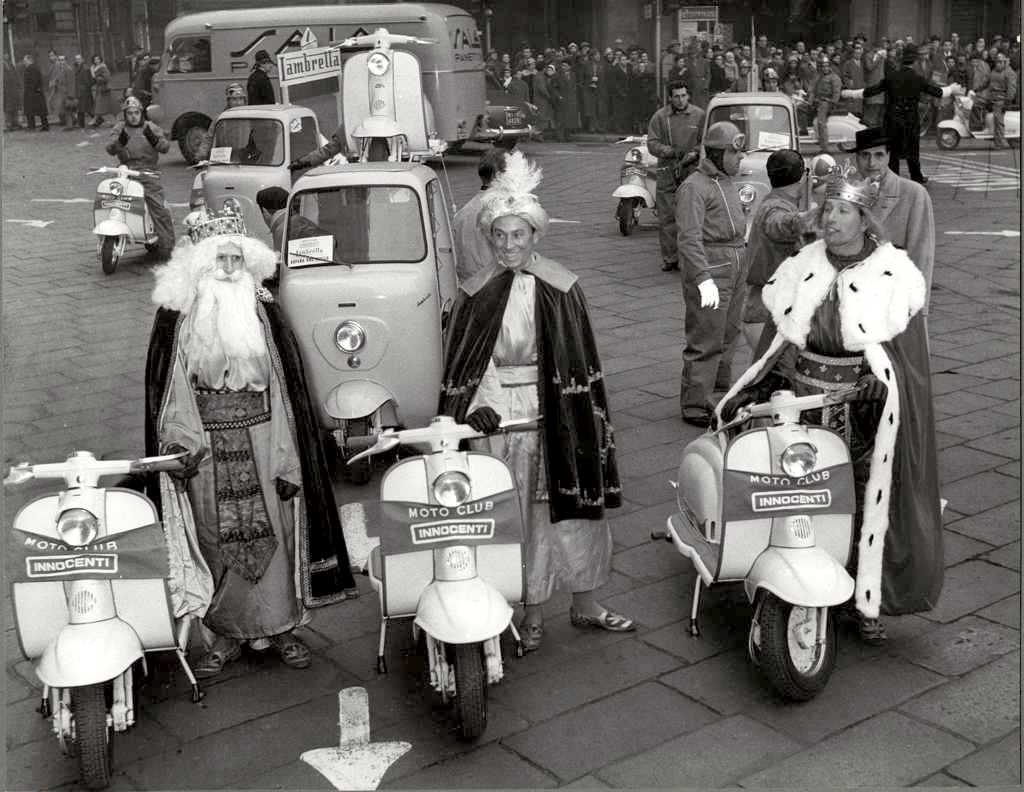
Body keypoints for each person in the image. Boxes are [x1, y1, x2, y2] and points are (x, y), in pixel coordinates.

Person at [717, 161, 942, 645]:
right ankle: (794, 581)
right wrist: (757, 389)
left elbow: (904, 364)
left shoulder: (893, 275)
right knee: (799, 497)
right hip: (799, 405)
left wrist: (882, 388)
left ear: (866, 219)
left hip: (861, 412)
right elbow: (779, 344)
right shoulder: (803, 267)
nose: (833, 219)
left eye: (844, 210)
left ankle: (865, 598)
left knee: (862, 501)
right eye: (828, 209)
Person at [144, 208, 357, 677]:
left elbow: (288, 395)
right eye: (217, 260)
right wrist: (181, 447)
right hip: (203, 447)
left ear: (250, 261)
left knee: (276, 532)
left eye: (235, 259)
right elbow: (170, 391)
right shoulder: (175, 319)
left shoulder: (266, 312)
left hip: (267, 439)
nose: (226, 269)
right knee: (213, 537)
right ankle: (222, 636)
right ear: (199, 264)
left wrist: (288, 459)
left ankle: (282, 628)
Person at [439, 151, 631, 653]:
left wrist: (566, 410)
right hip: (500, 420)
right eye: (499, 235)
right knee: (517, 516)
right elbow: (465, 362)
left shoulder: (562, 286)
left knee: (571, 514)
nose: (508, 245)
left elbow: (579, 362)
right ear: (489, 237)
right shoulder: (474, 293)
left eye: (517, 235)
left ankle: (585, 603)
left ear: (535, 235)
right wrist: (480, 408)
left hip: (559, 416)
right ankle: (530, 609)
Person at [675, 121, 748, 427]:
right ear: (719, 154)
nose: (740, 159)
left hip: (734, 262)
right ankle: (695, 403)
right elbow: (688, 239)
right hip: (713, 267)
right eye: (735, 153)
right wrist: (702, 278)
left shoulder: (725, 181)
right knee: (706, 336)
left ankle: (717, 390)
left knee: (729, 332)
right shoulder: (694, 187)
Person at [844, 44, 962, 183]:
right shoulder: (917, 78)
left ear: (901, 59)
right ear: (915, 61)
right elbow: (939, 92)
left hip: (892, 118)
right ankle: (916, 176)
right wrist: (952, 88)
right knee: (913, 149)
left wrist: (849, 93)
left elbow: (870, 91)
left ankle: (894, 178)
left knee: (893, 151)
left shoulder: (891, 77)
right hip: (910, 118)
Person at [742, 149, 818, 359]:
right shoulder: (775, 209)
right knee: (773, 382)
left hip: (767, 309)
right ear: (802, 176)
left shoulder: (775, 203)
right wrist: (814, 216)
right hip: (768, 314)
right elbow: (781, 224)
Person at [105, 95, 175, 256]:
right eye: (129, 113)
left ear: (142, 113)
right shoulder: (119, 128)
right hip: (126, 170)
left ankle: (167, 245)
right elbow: (110, 149)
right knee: (112, 198)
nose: (133, 116)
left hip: (148, 171)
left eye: (136, 113)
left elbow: (165, 148)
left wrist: (154, 140)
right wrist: (119, 142)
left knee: (157, 206)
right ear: (125, 115)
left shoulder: (150, 127)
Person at [646, 80, 704, 273]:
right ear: (670, 98)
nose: (680, 100)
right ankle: (670, 258)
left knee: (693, 215)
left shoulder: (699, 115)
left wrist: (695, 152)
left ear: (688, 96)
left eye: (683, 95)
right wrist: (671, 151)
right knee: (667, 216)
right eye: (676, 96)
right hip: (668, 170)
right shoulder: (660, 117)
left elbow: (705, 141)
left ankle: (693, 256)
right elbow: (652, 144)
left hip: (692, 170)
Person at [452, 148, 508, 283]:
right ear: (500, 175)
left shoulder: (461, 214)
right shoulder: (504, 211)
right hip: (496, 288)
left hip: (468, 289)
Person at [978, 52, 1017, 148]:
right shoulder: (994, 71)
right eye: (997, 62)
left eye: (1000, 62)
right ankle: (985, 131)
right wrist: (977, 89)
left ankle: (1001, 142)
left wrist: (1007, 102)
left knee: (998, 120)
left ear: (1005, 62)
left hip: (1001, 100)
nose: (998, 64)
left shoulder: (1009, 73)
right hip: (991, 98)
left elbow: (1011, 89)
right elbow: (986, 82)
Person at [813, 55, 843, 152]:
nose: (824, 68)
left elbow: (836, 94)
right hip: (818, 101)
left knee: (821, 122)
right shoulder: (819, 77)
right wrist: (810, 98)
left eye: (826, 66)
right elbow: (813, 89)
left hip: (828, 103)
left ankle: (824, 147)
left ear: (829, 66)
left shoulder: (834, 78)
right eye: (822, 66)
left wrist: (831, 102)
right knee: (801, 108)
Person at [21, 54, 48, 130]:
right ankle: (44, 126)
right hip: (36, 93)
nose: (24, 62)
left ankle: (32, 127)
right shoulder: (35, 68)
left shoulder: (30, 68)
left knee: (30, 111)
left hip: (32, 93)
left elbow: (34, 81)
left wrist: (30, 90)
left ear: (30, 60)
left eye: (25, 61)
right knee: (40, 111)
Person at [71, 54, 94, 129]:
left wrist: (86, 88)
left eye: (79, 59)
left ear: (82, 59)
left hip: (84, 91)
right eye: (76, 59)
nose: (78, 60)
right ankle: (81, 124)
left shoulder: (85, 68)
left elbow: (89, 81)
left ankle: (82, 124)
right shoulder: (76, 68)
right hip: (79, 90)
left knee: (85, 108)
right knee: (83, 108)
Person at [90, 55, 114, 126]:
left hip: (104, 88)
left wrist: (97, 78)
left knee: (100, 104)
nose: (96, 61)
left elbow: (107, 78)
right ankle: (109, 121)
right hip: (99, 88)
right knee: (101, 105)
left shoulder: (103, 67)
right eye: (95, 59)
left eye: (98, 59)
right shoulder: (94, 68)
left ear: (100, 60)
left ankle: (95, 119)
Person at [4, 54, 21, 131]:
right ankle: (9, 124)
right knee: (8, 108)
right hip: (6, 89)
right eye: (5, 55)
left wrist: (17, 84)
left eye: (7, 55)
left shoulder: (11, 65)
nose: (6, 56)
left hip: (13, 89)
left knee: (15, 107)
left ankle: (15, 123)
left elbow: (15, 75)